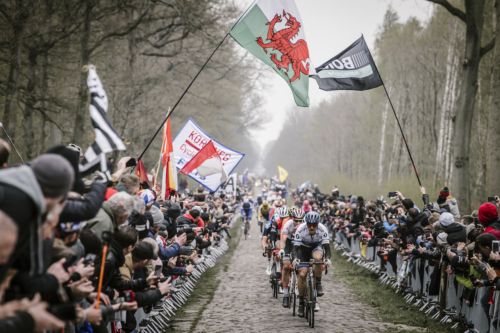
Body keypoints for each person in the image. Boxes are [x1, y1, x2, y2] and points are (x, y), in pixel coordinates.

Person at [292, 211, 331, 316]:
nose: (312, 227)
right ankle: (301, 303)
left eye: (314, 225)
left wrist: (327, 259)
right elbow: (295, 249)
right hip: (303, 249)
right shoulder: (300, 229)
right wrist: (295, 259)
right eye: (310, 225)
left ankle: (318, 284)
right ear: (306, 223)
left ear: (318, 224)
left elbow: (327, 249)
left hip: (316, 247)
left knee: (318, 258)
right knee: (302, 274)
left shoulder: (323, 229)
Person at [279, 208, 305, 308]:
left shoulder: (305, 225)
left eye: (300, 220)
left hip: (301, 244)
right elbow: (283, 240)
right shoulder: (288, 224)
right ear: (292, 218)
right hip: (289, 243)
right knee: (286, 266)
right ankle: (286, 295)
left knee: (301, 267)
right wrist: (282, 249)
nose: (298, 222)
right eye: (296, 220)